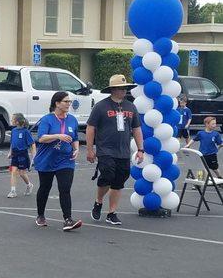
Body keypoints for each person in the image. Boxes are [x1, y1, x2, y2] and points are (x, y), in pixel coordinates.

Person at [87, 74, 144, 226]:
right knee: (107, 174)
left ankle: (112, 212)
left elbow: (136, 128)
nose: (124, 91)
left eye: (125, 88)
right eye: (121, 88)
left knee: (119, 180)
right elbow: (91, 127)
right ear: (113, 89)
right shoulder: (101, 106)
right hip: (105, 149)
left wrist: (140, 149)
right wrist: (90, 149)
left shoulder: (130, 107)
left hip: (123, 150)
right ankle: (98, 201)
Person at [33, 92, 82, 231]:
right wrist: (58, 136)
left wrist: (76, 149)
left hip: (65, 160)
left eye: (69, 102)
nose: (68, 104)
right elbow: (41, 138)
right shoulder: (47, 119)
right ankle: (40, 215)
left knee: (65, 188)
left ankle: (68, 219)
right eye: (66, 101)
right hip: (47, 159)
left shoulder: (72, 119)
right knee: (45, 188)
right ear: (57, 103)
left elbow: (75, 137)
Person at [7, 113, 35, 199]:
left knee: (22, 173)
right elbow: (12, 143)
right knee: (13, 171)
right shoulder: (14, 131)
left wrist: (34, 155)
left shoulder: (26, 132)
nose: (11, 120)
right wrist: (10, 152)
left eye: (12, 119)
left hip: (23, 154)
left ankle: (29, 185)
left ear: (17, 122)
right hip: (15, 153)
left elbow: (32, 144)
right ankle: (13, 191)